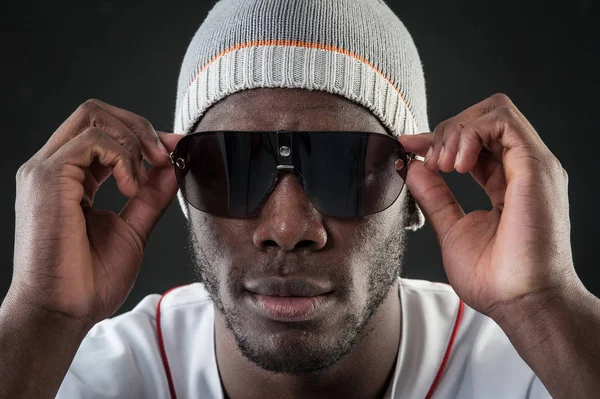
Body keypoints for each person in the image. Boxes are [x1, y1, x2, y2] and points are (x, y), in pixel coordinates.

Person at [1, 0, 599, 398]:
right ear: (180, 184)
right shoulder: (75, 375)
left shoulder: (533, 366)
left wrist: (545, 303)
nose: (287, 227)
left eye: (344, 165)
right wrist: (40, 319)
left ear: (414, 189)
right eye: (233, 166)